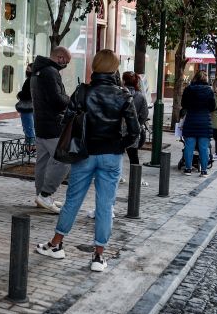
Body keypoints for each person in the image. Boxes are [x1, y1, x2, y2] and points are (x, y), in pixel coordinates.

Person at [35, 50, 139, 271]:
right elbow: (134, 131)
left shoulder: (83, 92)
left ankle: (56, 244)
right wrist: (119, 145)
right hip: (111, 155)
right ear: (114, 68)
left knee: (73, 200)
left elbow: (67, 120)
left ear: (95, 67)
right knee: (104, 205)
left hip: (84, 154)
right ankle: (98, 258)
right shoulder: (123, 95)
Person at [30, 46, 73, 213]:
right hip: (53, 124)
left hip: (40, 123)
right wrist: (70, 98)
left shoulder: (37, 71)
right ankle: (45, 195)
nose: (66, 65)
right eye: (66, 62)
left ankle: (40, 196)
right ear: (60, 58)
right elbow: (57, 100)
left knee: (42, 162)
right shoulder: (50, 72)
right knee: (64, 159)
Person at [180, 70, 216, 175]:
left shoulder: (188, 89)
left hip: (191, 120)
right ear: (206, 79)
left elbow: (184, 104)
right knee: (204, 147)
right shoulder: (209, 91)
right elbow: (212, 107)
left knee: (189, 146)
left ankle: (188, 169)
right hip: (205, 121)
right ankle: (204, 170)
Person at [16, 65, 36, 150]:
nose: (26, 70)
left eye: (28, 69)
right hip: (33, 107)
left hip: (27, 107)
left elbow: (29, 94)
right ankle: (31, 145)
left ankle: (30, 147)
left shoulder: (30, 80)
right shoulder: (36, 79)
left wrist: (20, 94)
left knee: (28, 127)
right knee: (31, 127)